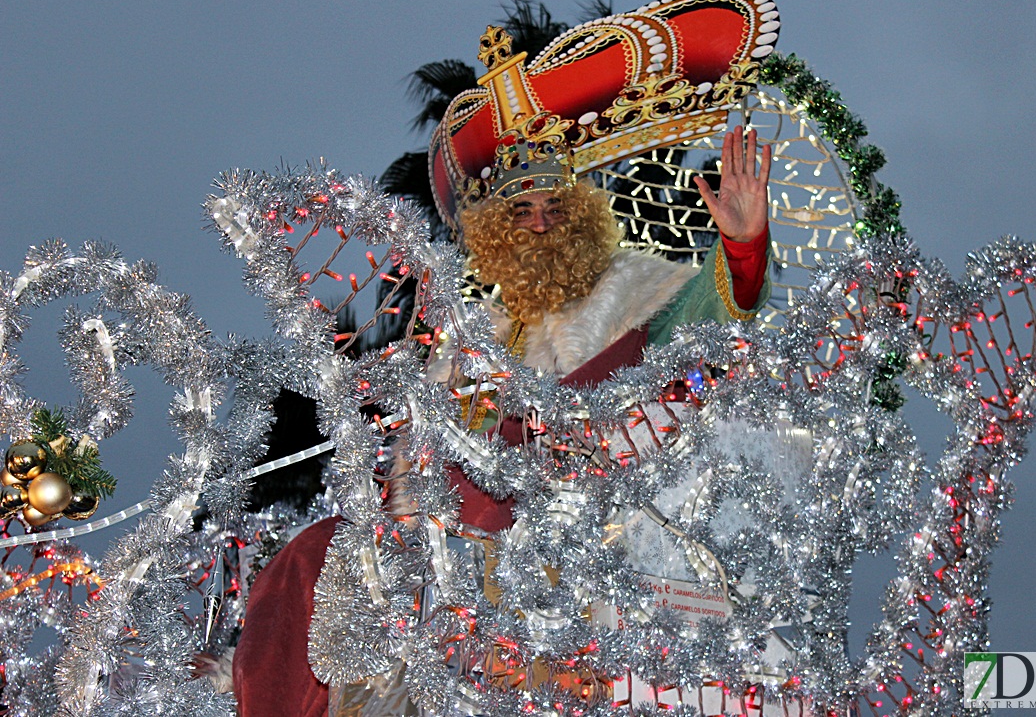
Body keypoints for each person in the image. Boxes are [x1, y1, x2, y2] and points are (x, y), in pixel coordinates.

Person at [232, 126, 774, 715]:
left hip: (577, 510)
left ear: (582, 220)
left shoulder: (638, 291)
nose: (540, 225)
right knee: (314, 554)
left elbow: (706, 324)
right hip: (453, 523)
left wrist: (742, 246)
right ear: (497, 232)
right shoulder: (472, 334)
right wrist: (399, 514)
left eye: (554, 208)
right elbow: (419, 459)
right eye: (521, 211)